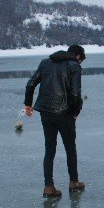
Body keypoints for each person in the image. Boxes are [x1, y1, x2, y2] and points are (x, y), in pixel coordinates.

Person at [24, 44, 86, 197]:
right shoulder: (74, 66)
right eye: (81, 60)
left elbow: (31, 83)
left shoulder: (46, 62)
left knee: (49, 149)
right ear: (78, 56)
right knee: (70, 148)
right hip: (64, 113)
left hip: (45, 112)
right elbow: (76, 94)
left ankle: (48, 186)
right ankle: (74, 182)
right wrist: (75, 113)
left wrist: (28, 104)